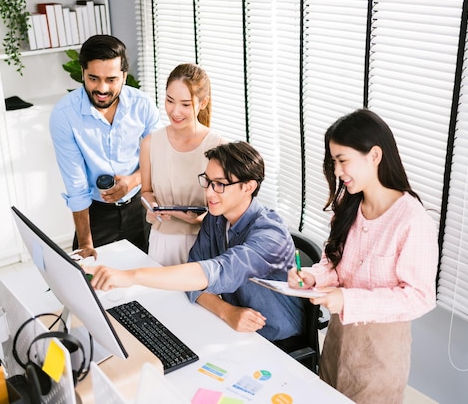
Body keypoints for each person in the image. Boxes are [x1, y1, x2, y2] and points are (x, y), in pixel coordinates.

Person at [288, 109, 438, 403]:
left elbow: (420, 297)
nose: (337, 171)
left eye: (343, 160)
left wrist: (347, 299)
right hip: (336, 345)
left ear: (374, 156)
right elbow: (335, 264)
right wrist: (312, 276)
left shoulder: (412, 220)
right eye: (334, 161)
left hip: (379, 362)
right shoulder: (349, 207)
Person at [89, 141, 304, 343]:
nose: (209, 192)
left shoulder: (270, 234)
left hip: (278, 340)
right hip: (236, 329)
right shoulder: (216, 218)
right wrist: (226, 311)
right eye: (207, 181)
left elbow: (215, 272)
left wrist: (131, 276)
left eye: (220, 184)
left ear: (248, 187)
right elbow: (195, 280)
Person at [49, 35, 162, 258]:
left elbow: (159, 155)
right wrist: (85, 243)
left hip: (140, 208)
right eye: (93, 78)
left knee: (148, 278)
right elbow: (76, 185)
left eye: (111, 79)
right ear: (82, 73)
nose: (102, 88)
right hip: (94, 214)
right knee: (88, 281)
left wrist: (133, 180)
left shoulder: (142, 105)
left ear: (124, 76)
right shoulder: (64, 115)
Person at [140, 63, 226, 266]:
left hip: (204, 242)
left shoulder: (219, 146)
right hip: (163, 242)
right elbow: (146, 191)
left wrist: (198, 219)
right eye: (170, 101)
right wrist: (152, 205)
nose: (175, 111)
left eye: (185, 104)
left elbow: (226, 206)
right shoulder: (151, 143)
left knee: (200, 298)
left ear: (203, 103)